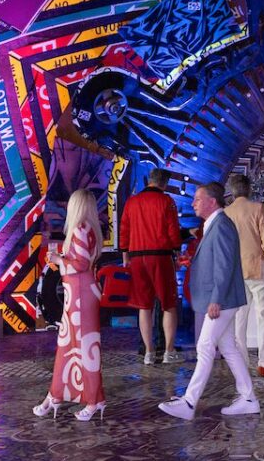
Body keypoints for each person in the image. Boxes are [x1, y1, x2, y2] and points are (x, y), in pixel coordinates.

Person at [159, 182, 258, 420]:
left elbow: (224, 266)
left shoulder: (221, 224)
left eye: (197, 199)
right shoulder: (213, 224)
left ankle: (189, 403)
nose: (193, 203)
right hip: (222, 298)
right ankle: (248, 398)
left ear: (212, 202)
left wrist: (216, 299)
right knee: (228, 348)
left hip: (221, 300)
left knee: (205, 346)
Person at [33, 189, 106, 421]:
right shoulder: (90, 228)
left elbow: (80, 264)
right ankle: (55, 395)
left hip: (80, 295)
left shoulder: (79, 229)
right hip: (80, 293)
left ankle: (92, 400)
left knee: (81, 349)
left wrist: (57, 260)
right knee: (73, 347)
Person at [225, 173, 264, 382]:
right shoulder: (258, 208)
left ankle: (240, 364)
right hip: (259, 268)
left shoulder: (226, 212)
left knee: (239, 320)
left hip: (236, 271)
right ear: (249, 189)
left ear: (232, 191)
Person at [120, 168, 183, 365]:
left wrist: (125, 255)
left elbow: (124, 229)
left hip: (137, 258)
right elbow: (173, 231)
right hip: (161, 257)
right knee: (168, 304)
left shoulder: (132, 202)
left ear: (149, 181)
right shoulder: (166, 201)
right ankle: (168, 352)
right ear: (164, 184)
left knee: (144, 306)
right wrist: (177, 251)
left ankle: (148, 352)